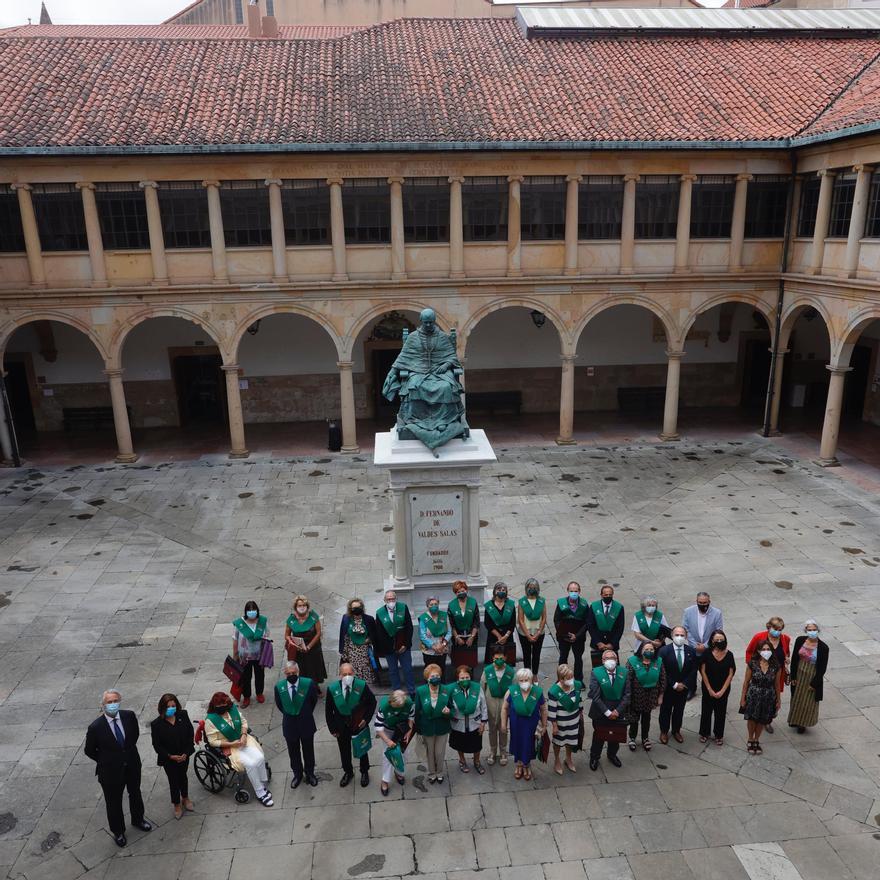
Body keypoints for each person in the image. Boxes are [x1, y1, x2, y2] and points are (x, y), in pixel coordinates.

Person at [381, 307, 469, 451]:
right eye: (426, 322)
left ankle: (445, 420)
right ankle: (417, 422)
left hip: (439, 371)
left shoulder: (442, 336)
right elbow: (404, 357)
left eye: (431, 322)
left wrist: (446, 365)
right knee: (415, 387)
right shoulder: (413, 337)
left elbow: (452, 357)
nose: (428, 325)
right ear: (421, 321)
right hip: (417, 370)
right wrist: (393, 371)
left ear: (434, 321)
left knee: (446, 387)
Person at [84, 690, 152, 848]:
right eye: (109, 702)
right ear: (103, 705)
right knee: (113, 802)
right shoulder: (95, 727)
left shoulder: (129, 716)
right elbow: (89, 750)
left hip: (132, 764)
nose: (113, 704)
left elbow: (134, 736)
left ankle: (138, 819)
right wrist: (106, 760)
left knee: (135, 792)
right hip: (110, 771)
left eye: (115, 700)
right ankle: (118, 831)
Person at [204, 691, 273, 806]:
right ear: (214, 706)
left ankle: (262, 783)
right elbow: (212, 741)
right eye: (219, 706)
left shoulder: (233, 711)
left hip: (243, 740)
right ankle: (260, 792)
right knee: (250, 764)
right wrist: (231, 744)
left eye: (223, 705)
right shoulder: (210, 720)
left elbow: (244, 723)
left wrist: (244, 735)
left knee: (260, 757)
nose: (222, 708)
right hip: (229, 747)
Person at [325, 662, 377, 788]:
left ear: (354, 674)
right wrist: (332, 729)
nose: (347, 676)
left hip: (358, 725)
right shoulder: (332, 689)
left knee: (362, 750)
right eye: (344, 674)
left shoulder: (361, 686)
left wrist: (366, 719)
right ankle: (348, 772)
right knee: (344, 751)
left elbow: (372, 703)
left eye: (349, 674)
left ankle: (364, 772)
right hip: (341, 727)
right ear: (339, 675)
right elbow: (328, 711)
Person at [274, 660, 318, 789]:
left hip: (306, 723)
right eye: (289, 673)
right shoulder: (279, 687)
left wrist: (304, 713)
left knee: (308, 750)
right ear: (285, 673)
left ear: (298, 672)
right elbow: (280, 705)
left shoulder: (308, 684)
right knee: (293, 752)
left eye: (294, 673)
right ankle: (297, 774)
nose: (291, 675)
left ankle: (310, 773)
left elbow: (313, 701)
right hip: (290, 725)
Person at [149, 693, 195, 820]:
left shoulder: (183, 715)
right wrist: (170, 756)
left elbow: (190, 734)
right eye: (168, 706)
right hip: (169, 759)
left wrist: (186, 752)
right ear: (162, 708)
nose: (171, 708)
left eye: (173, 705)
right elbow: (157, 745)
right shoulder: (157, 724)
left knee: (183, 776)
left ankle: (185, 798)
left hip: (184, 755)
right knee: (173, 780)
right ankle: (176, 804)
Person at [500, 667, 547, 781]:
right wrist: (503, 724)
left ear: (531, 680)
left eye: (526, 680)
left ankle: (527, 765)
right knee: (517, 743)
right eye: (521, 680)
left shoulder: (537, 692)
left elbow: (543, 709)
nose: (524, 682)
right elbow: (504, 709)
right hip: (517, 726)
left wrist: (544, 725)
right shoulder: (511, 691)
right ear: (517, 681)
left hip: (531, 726)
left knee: (529, 744)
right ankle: (519, 765)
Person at [587, 649, 631, 771]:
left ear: (617, 660)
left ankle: (612, 755)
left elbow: (627, 694)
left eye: (613, 658)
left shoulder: (625, 672)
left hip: (618, 712)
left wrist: (617, 711)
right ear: (602, 661)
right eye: (607, 658)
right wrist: (607, 712)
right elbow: (595, 696)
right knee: (598, 736)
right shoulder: (596, 673)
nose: (610, 660)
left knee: (615, 736)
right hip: (600, 712)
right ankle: (594, 757)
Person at [745, 616, 790, 733]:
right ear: (768, 627)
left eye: (780, 629)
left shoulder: (785, 639)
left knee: (774, 696)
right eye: (775, 628)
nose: (777, 631)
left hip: (776, 674)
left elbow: (786, 652)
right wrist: (753, 667)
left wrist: (787, 659)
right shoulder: (759, 637)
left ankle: (768, 719)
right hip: (760, 672)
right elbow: (749, 651)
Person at [739, 638, 782, 755]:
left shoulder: (776, 666)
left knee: (762, 719)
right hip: (753, 695)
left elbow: (777, 684)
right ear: (758, 651)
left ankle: (757, 739)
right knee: (752, 718)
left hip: (768, 695)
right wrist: (742, 698)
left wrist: (778, 700)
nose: (766, 651)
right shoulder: (752, 664)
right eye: (763, 649)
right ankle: (750, 738)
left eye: (768, 649)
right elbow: (746, 682)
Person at [658, 625, 698, 744]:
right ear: (671, 636)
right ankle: (664, 731)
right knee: (665, 710)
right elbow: (662, 670)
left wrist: (684, 684)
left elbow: (694, 669)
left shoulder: (691, 651)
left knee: (679, 710)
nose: (679, 637)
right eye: (677, 635)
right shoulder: (664, 651)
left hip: (683, 688)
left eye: (682, 635)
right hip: (668, 688)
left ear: (685, 637)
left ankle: (676, 730)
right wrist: (674, 684)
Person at [787, 620, 829, 734]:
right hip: (799, 673)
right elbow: (795, 659)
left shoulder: (824, 648)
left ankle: (803, 723)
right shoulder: (800, 640)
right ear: (806, 630)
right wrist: (793, 676)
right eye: (809, 630)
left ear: (818, 630)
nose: (812, 632)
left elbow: (822, 669)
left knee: (808, 701)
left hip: (812, 675)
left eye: (814, 630)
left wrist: (814, 683)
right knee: (796, 698)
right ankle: (794, 720)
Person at [625, 642, 666, 752]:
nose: (649, 651)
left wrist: (660, 696)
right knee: (634, 719)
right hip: (635, 696)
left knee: (646, 718)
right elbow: (627, 680)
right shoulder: (632, 661)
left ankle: (645, 738)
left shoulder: (658, 662)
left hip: (651, 696)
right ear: (641, 650)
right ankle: (632, 738)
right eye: (647, 649)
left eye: (652, 649)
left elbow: (663, 679)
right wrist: (627, 697)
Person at [374, 589, 415, 697]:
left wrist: (405, 644)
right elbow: (379, 633)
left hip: (403, 647)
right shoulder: (380, 613)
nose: (391, 601)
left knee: (408, 669)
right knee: (393, 671)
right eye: (388, 599)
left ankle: (411, 691)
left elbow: (409, 628)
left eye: (392, 598)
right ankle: (397, 692)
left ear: (396, 599)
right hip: (389, 649)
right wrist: (388, 649)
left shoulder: (403, 607)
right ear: (384, 600)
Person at [415, 664, 452, 784]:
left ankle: (439, 772)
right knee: (430, 752)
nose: (435, 677)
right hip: (427, 727)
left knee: (439, 752)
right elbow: (417, 710)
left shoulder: (446, 689)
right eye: (432, 675)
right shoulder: (421, 691)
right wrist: (418, 729)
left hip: (442, 726)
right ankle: (432, 773)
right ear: (427, 678)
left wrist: (448, 713)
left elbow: (452, 709)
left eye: (437, 675)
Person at [374, 689, 415, 796]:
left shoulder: (409, 703)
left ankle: (399, 773)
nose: (398, 709)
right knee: (388, 756)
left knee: (404, 753)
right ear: (390, 702)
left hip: (402, 730)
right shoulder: (384, 708)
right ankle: (385, 781)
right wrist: (388, 741)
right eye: (396, 706)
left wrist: (409, 730)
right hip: (387, 731)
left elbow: (411, 717)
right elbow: (378, 727)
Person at [699, 629, 736, 746]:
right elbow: (703, 671)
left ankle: (719, 735)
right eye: (717, 640)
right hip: (708, 688)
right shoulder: (706, 653)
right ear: (712, 641)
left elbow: (731, 673)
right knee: (706, 711)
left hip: (723, 689)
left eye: (721, 639)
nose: (719, 641)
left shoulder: (729, 655)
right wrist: (709, 689)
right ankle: (704, 733)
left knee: (720, 712)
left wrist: (722, 691)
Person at [284, 595, 327, 694]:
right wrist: (291, 642)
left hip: (313, 647)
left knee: (313, 667)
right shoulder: (291, 619)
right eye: (299, 605)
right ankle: (303, 686)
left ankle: (315, 686)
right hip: (298, 648)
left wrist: (309, 646)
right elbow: (287, 635)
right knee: (301, 668)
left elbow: (318, 633)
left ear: (307, 606)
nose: (302, 607)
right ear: (295, 607)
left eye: (304, 605)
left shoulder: (313, 617)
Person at [450, 665, 488, 774]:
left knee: (476, 745)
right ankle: (462, 761)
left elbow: (483, 706)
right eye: (462, 678)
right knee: (459, 744)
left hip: (475, 723)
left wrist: (483, 723)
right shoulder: (451, 689)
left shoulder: (477, 687)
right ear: (457, 678)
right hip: (458, 724)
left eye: (467, 677)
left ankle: (476, 762)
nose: (465, 680)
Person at [480, 646, 514, 766]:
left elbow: (515, 690)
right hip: (491, 703)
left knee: (503, 729)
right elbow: (482, 688)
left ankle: (503, 752)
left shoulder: (510, 672)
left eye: (501, 657)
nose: (499, 660)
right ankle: (493, 751)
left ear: (505, 657)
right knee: (492, 729)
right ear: (492, 658)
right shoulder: (487, 670)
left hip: (505, 704)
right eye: (496, 658)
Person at [232, 600, 270, 707]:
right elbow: (235, 638)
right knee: (245, 677)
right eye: (249, 610)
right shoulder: (240, 623)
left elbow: (267, 635)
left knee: (260, 675)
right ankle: (247, 696)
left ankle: (259, 693)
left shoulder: (262, 621)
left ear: (257, 610)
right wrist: (235, 654)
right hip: (244, 657)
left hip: (259, 655)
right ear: (246, 611)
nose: (252, 612)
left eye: (253, 610)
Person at [547, 664, 583, 775]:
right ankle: (557, 760)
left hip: (573, 721)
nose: (571, 680)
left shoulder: (576, 685)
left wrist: (581, 714)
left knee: (570, 741)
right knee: (558, 743)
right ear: (561, 679)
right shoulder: (554, 691)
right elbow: (552, 710)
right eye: (568, 678)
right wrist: (554, 726)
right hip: (561, 723)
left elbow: (579, 700)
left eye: (572, 677)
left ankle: (568, 758)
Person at [554, 581, 590, 682]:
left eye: (576, 591)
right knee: (563, 657)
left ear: (579, 591)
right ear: (568, 591)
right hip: (564, 637)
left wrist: (577, 635)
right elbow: (557, 620)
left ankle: (579, 680)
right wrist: (565, 634)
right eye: (571, 591)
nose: (573, 593)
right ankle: (561, 679)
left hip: (578, 638)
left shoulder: (584, 604)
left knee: (578, 658)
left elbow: (587, 622)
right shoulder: (561, 603)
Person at [338, 597, 377, 683]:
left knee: (365, 669)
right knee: (352, 671)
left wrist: (368, 640)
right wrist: (342, 651)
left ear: (362, 608)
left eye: (358, 607)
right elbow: (342, 634)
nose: (356, 609)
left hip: (364, 650)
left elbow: (374, 634)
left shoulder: (369, 619)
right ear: (350, 609)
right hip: (351, 650)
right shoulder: (346, 618)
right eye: (354, 608)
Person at [587, 584, 625, 667]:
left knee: (613, 667)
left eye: (610, 595)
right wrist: (598, 642)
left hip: (612, 644)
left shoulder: (619, 607)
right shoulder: (594, 606)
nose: (608, 596)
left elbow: (620, 628)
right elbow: (590, 626)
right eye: (606, 595)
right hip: (597, 644)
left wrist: (612, 643)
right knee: (597, 669)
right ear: (601, 595)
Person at [517, 577, 546, 675]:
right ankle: (527, 674)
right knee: (526, 655)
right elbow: (520, 620)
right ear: (526, 588)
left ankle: (534, 675)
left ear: (537, 589)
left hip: (539, 633)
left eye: (534, 587)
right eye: (530, 587)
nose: (532, 589)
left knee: (536, 655)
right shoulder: (522, 602)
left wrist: (538, 633)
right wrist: (528, 635)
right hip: (525, 633)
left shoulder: (541, 601)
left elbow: (544, 618)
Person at [681, 592, 723, 658]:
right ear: (696, 601)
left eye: (705, 603)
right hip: (693, 650)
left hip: (710, 650)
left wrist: (705, 645)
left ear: (709, 602)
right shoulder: (688, 612)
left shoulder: (717, 613)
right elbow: (685, 629)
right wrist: (695, 645)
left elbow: (718, 631)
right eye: (700, 603)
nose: (702, 605)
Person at [448, 581, 479, 669]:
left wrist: (472, 636)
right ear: (455, 593)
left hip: (471, 637)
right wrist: (457, 637)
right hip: (458, 638)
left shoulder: (473, 602)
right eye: (458, 592)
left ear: (466, 590)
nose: (461, 593)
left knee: (470, 662)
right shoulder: (451, 605)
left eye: (463, 590)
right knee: (459, 663)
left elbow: (476, 621)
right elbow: (451, 624)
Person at [419, 596, 451, 679]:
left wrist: (443, 644)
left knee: (441, 670)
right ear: (427, 606)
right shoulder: (423, 618)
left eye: (436, 604)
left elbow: (449, 632)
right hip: (429, 650)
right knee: (429, 671)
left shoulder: (444, 615)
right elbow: (422, 635)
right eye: (431, 604)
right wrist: (433, 646)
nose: (434, 606)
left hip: (442, 649)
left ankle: (442, 688)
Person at [484, 581, 516, 665]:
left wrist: (505, 636)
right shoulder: (489, 606)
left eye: (504, 590)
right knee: (493, 661)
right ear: (494, 591)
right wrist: (499, 636)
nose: (501, 591)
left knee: (507, 660)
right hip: (493, 637)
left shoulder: (510, 604)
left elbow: (512, 623)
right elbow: (488, 624)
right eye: (499, 589)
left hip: (507, 637)